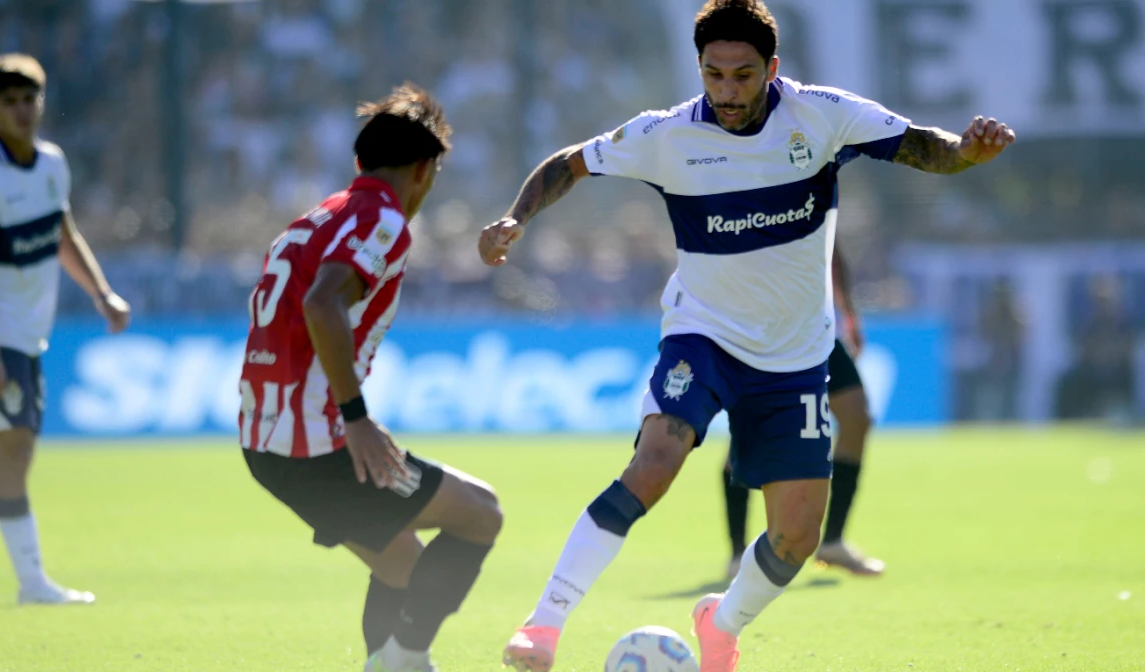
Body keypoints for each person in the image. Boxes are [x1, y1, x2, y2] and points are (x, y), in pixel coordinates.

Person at [478, 2, 1015, 670]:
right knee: (655, 464)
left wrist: (966, 153)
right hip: (703, 336)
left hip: (795, 355)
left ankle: (721, 623)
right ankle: (544, 625)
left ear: (772, 68)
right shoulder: (666, 135)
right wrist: (516, 218)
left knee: (796, 537)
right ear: (699, 68)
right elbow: (569, 163)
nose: (727, 91)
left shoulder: (822, 115)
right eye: (714, 74)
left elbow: (923, 146)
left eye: (743, 75)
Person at [237, 83, 502, 672]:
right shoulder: (383, 219)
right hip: (316, 444)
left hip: (264, 440)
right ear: (424, 168)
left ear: (361, 162)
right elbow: (322, 303)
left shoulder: (320, 216)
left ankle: (392, 662)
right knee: (480, 514)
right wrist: (354, 417)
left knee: (402, 563)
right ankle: (405, 660)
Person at [0, 53, 131, 605]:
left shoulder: (52, 164)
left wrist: (101, 293)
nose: (23, 110)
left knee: (13, 458)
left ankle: (32, 583)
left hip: (25, 331)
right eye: (11, 102)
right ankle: (32, 584)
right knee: (14, 454)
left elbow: (63, 235)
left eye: (30, 99)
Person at [722, 242, 884, 580]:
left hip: (813, 326)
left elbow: (831, 249)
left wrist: (848, 312)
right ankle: (737, 553)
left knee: (856, 418)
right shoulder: (748, 209)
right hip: (759, 327)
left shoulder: (817, 208)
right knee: (749, 433)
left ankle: (833, 542)